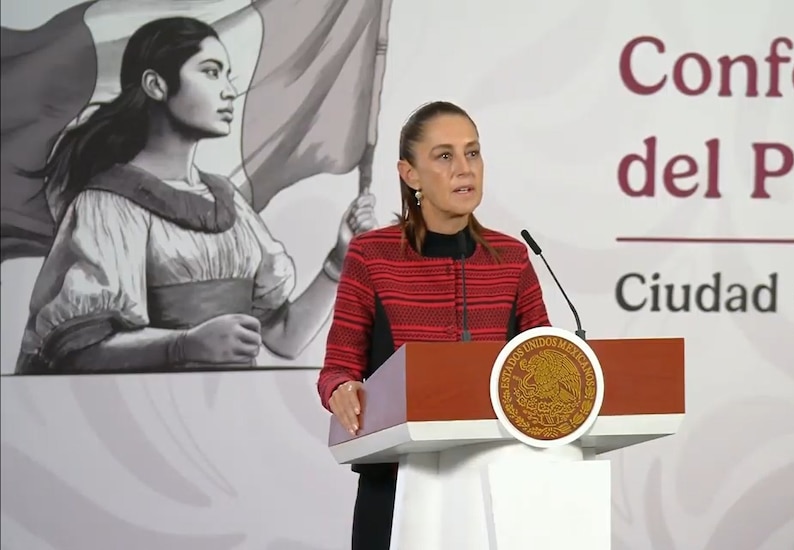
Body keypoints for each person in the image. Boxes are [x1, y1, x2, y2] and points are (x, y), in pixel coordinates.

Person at [14, 17, 376, 374]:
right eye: (211, 71)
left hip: (230, 416)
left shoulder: (229, 202)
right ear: (156, 85)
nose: (229, 90)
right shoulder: (107, 205)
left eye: (227, 74)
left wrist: (340, 261)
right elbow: (76, 353)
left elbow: (286, 338)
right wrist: (184, 345)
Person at [316, 100, 552, 549]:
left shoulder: (512, 258)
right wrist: (340, 390)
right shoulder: (372, 255)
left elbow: (544, 364)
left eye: (473, 153)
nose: (465, 168)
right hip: (397, 483)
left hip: (494, 485)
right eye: (445, 156)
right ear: (410, 174)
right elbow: (337, 369)